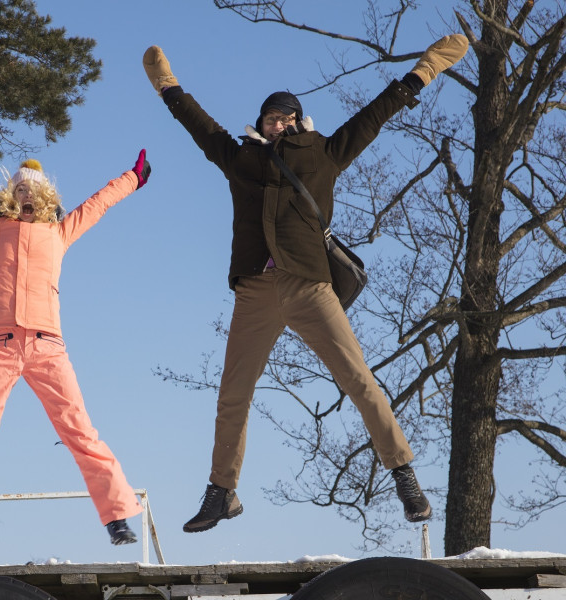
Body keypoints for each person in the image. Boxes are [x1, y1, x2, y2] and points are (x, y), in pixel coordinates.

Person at [142, 35, 468, 533]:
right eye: (273, 117)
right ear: (261, 123)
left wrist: (425, 69)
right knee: (232, 394)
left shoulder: (323, 155)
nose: (282, 123)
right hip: (255, 289)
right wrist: (169, 88)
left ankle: (403, 472)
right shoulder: (241, 160)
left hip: (310, 285)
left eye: (289, 117)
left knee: (358, 378)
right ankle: (222, 491)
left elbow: (375, 116)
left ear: (299, 122)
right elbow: (200, 127)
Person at [0, 139, 151, 552]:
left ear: (46, 195)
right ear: (11, 194)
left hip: (47, 345)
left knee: (80, 431)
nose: (25, 195)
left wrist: (132, 178)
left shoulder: (59, 230)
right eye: (19, 189)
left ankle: (117, 517)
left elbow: (98, 203)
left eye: (32, 190)